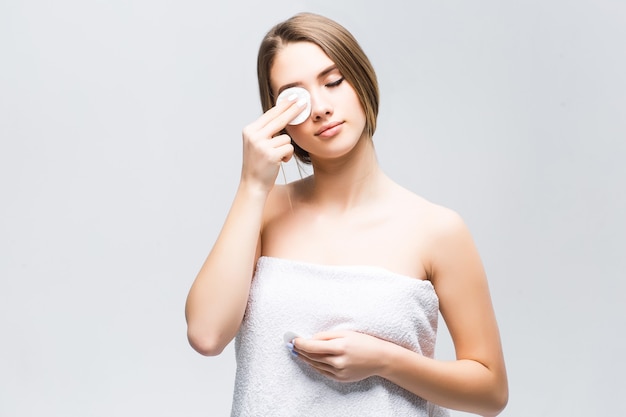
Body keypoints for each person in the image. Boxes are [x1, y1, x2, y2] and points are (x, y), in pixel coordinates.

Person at [185, 12, 508, 417]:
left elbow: (491, 392)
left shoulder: (437, 230)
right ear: (278, 118)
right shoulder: (262, 210)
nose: (320, 107)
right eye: (294, 99)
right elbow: (206, 334)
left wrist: (385, 360)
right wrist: (252, 185)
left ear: (361, 81)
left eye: (333, 81)